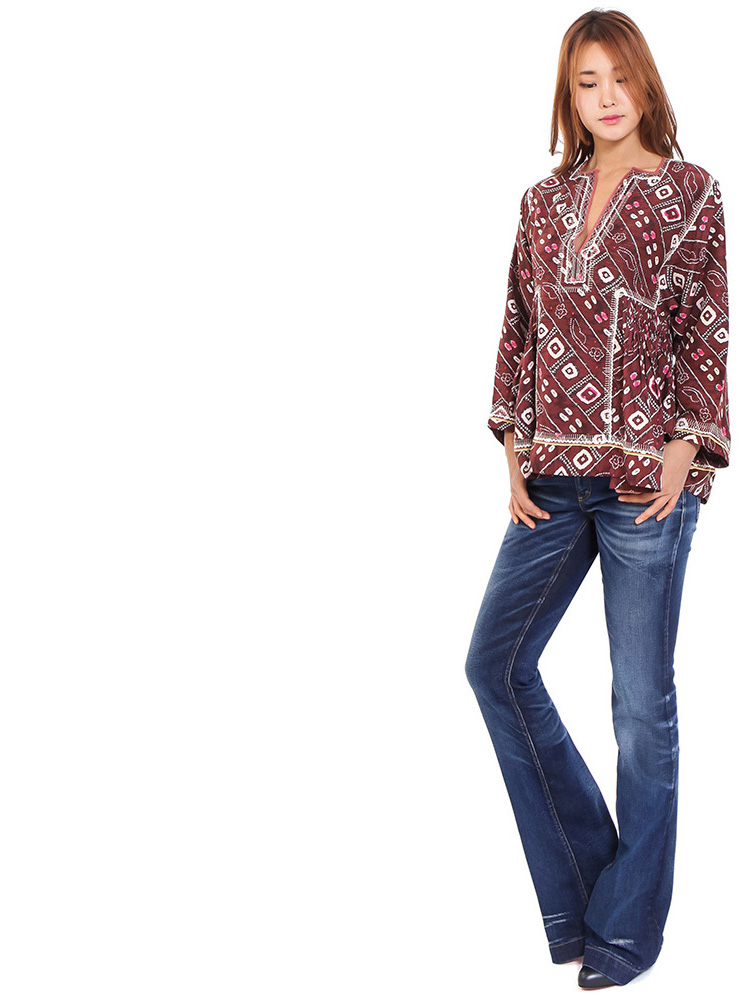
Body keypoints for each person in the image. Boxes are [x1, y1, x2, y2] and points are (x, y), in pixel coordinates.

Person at [464, 10, 731, 991]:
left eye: (621, 77)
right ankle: (587, 884)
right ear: (568, 95)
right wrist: (511, 447)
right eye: (587, 82)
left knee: (639, 707)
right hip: (549, 477)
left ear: (646, 83)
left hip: (645, 484)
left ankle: (627, 929)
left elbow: (707, 328)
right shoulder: (541, 202)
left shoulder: (692, 193)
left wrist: (685, 448)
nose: (607, 96)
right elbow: (518, 324)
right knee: (494, 666)